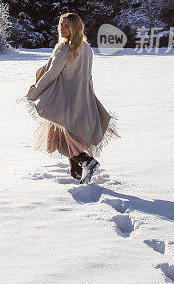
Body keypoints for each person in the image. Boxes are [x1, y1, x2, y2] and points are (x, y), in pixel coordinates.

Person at [24, 12, 118, 184]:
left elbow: (51, 74)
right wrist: (87, 96)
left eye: (66, 25)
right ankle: (76, 172)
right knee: (72, 136)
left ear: (75, 28)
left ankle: (87, 162)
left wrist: (34, 93)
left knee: (60, 139)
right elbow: (88, 76)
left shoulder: (64, 49)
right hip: (80, 97)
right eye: (61, 24)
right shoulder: (87, 48)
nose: (62, 28)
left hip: (62, 99)